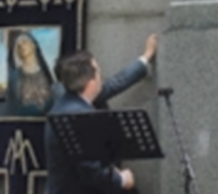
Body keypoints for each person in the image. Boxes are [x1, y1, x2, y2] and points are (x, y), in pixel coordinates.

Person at [45, 34, 157, 194]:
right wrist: (122, 179)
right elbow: (92, 173)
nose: (101, 78)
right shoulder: (81, 118)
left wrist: (145, 57)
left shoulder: (66, 100)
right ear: (91, 82)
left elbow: (116, 83)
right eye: (98, 72)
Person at [5, 31, 55, 116]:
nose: (21, 46)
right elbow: (12, 104)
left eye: (24, 42)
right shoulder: (15, 75)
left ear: (33, 45)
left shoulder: (47, 74)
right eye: (18, 46)